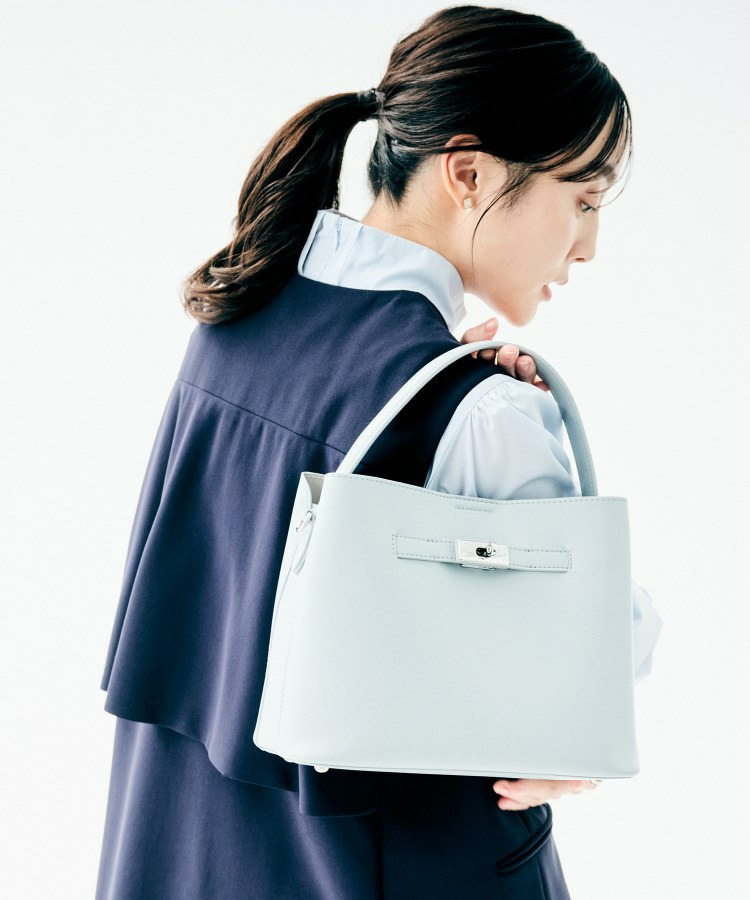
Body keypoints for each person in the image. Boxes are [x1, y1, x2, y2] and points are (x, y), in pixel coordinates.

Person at [95, 6, 663, 898]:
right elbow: (607, 652)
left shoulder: (234, 319)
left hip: (194, 852)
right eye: (583, 199)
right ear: (469, 172)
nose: (588, 245)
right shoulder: (480, 410)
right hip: (405, 865)